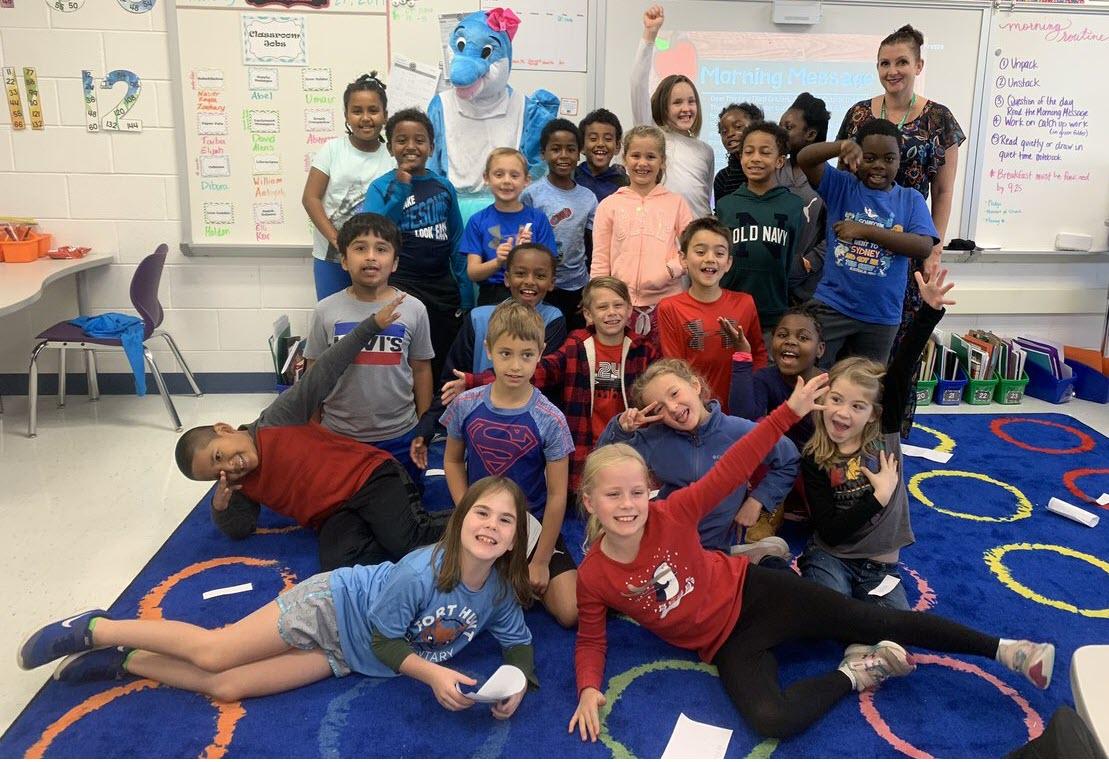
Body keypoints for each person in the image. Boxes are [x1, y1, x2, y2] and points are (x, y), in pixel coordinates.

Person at [567, 374, 1056, 742]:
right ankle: (857, 673)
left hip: (754, 593)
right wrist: (589, 686)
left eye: (637, 492)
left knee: (868, 620)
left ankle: (1009, 650)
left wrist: (786, 413)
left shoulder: (672, 513)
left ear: (650, 491)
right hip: (725, 644)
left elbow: (738, 460)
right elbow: (591, 636)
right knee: (771, 720)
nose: (628, 505)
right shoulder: (594, 576)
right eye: (613, 495)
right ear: (589, 503)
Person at [19, 476, 536, 721]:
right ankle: (95, 628)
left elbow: (518, 643)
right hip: (335, 607)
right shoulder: (422, 570)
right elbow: (384, 639)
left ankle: (126, 661)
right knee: (215, 651)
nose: (490, 527)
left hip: (345, 655)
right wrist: (433, 674)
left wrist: (515, 684)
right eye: (481, 514)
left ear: (515, 540)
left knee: (229, 686)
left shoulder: (496, 592)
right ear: (460, 518)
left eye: (505, 521)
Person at [172, 301, 447, 572]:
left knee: (410, 539)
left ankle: (478, 524)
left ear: (224, 429)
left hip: (370, 478)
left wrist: (371, 326)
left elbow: (326, 369)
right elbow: (242, 529)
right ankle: (392, 541)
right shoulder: (237, 483)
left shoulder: (277, 419)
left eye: (219, 456)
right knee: (340, 565)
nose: (229, 467)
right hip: (333, 514)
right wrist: (221, 506)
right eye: (216, 473)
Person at [798, 264, 952, 609]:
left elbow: (901, 368)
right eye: (836, 400)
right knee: (829, 610)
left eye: (857, 406)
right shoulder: (814, 454)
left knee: (893, 626)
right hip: (830, 555)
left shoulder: (885, 432)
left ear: (874, 414)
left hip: (880, 564)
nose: (842, 413)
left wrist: (928, 311)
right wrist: (879, 497)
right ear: (823, 400)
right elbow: (830, 532)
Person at [441, 276, 661, 496]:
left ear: (630, 309)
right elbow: (539, 371)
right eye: (602, 307)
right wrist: (474, 381)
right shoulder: (576, 345)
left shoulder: (643, 350)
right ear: (588, 314)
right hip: (584, 451)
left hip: (627, 448)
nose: (611, 312)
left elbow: (656, 394)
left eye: (618, 305)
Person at [442, 300, 578, 627]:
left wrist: (542, 560)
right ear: (488, 350)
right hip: (478, 521)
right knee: (448, 597)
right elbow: (451, 461)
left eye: (526, 355)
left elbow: (558, 495)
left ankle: (513, 573)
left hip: (531, 525)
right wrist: (465, 512)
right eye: (506, 354)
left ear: (541, 352)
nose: (515, 366)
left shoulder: (551, 418)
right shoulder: (466, 404)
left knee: (571, 611)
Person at [837, 25, 966, 356]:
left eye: (902, 62)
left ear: (919, 66)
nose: (892, 71)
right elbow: (843, 178)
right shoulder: (858, 114)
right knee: (853, 350)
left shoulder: (939, 118)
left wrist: (933, 252)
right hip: (859, 242)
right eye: (884, 63)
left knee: (898, 346)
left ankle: (892, 410)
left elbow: (943, 191)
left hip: (909, 244)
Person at [598, 357, 798, 554]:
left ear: (695, 385)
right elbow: (601, 466)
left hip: (715, 548)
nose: (673, 408)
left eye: (674, 393)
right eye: (660, 408)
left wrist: (757, 500)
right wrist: (621, 430)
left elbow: (788, 458)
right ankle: (745, 556)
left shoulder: (737, 431)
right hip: (663, 544)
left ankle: (741, 556)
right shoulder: (653, 439)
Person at [304, 213, 434, 488]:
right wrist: (312, 430)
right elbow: (313, 373)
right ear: (344, 260)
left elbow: (421, 369)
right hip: (339, 435)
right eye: (360, 248)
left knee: (403, 508)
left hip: (400, 434)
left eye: (381, 249)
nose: (371, 257)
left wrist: (424, 426)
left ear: (395, 262)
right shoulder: (325, 311)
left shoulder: (413, 309)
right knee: (342, 509)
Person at [797, 120, 938, 366]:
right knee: (814, 378)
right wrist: (841, 146)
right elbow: (805, 158)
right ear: (857, 157)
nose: (879, 166)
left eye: (889, 159)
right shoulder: (842, 186)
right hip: (832, 306)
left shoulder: (910, 199)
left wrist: (865, 230)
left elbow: (923, 246)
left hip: (881, 316)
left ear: (899, 158)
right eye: (870, 158)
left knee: (864, 390)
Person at [410, 243, 568, 460]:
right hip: (473, 423)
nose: (529, 281)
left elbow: (538, 376)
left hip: (524, 428)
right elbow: (453, 381)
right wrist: (427, 426)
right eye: (520, 273)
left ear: (551, 283)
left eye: (539, 275)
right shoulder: (478, 318)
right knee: (438, 483)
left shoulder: (553, 320)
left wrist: (472, 382)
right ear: (506, 278)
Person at [362, 108, 465, 382]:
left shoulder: (443, 187)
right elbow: (373, 233)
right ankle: (408, 411)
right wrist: (402, 190)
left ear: (431, 147)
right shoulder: (380, 187)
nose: (410, 146)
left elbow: (456, 240)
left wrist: (464, 290)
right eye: (401, 140)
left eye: (419, 140)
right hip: (401, 284)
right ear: (390, 146)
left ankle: (436, 412)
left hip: (441, 286)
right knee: (406, 356)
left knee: (442, 353)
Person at [590, 125, 692, 344]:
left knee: (663, 368)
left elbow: (691, 250)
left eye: (651, 157)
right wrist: (598, 300)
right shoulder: (610, 205)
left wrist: (668, 271)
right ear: (625, 159)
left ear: (662, 161)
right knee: (625, 368)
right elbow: (600, 260)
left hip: (666, 304)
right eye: (635, 156)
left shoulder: (677, 203)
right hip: (620, 307)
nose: (642, 163)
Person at [657, 216, 767, 411]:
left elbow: (758, 355)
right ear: (683, 258)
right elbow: (674, 368)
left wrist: (750, 396)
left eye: (719, 253)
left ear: (728, 262)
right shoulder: (669, 308)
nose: (710, 259)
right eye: (700, 251)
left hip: (738, 410)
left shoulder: (745, 303)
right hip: (695, 411)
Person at [303, 74, 394, 300]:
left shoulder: (392, 158)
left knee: (374, 322)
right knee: (335, 323)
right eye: (357, 111)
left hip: (377, 260)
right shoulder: (332, 149)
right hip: (332, 257)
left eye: (373, 110)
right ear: (346, 115)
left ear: (385, 115)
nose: (365, 118)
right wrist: (337, 240)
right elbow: (310, 198)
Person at [715, 121, 806, 344]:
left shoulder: (794, 205)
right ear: (740, 157)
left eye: (765, 152)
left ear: (780, 161)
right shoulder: (726, 204)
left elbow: (792, 255)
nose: (755, 158)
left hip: (773, 314)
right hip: (729, 311)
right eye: (749, 152)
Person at [631, 4, 715, 216]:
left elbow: (704, 200)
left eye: (691, 101)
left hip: (696, 241)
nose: (686, 109)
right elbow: (638, 84)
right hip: (662, 238)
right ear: (663, 107)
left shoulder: (705, 151)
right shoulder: (654, 137)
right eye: (677, 103)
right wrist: (650, 35)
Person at [522, 120, 598, 330]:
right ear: (543, 153)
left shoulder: (588, 198)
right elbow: (523, 245)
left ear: (579, 153)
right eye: (556, 149)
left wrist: (590, 286)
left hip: (578, 287)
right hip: (541, 287)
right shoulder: (531, 195)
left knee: (574, 346)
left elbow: (593, 247)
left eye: (570, 149)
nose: (563, 155)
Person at [463, 148, 557, 306]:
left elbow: (549, 268)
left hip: (529, 294)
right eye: (499, 174)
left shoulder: (538, 219)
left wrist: (527, 252)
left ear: (526, 180)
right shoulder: (477, 221)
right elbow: (473, 273)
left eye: (514, 175)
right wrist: (498, 262)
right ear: (486, 178)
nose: (507, 181)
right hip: (491, 296)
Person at [731, 304, 826, 453]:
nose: (790, 341)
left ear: (820, 349)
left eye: (803, 337)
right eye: (782, 335)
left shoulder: (832, 385)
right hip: (783, 463)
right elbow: (742, 418)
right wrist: (742, 356)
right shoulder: (765, 379)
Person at [778, 92, 831, 304]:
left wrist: (807, 263)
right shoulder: (774, 171)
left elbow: (836, 233)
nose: (779, 133)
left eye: (788, 128)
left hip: (810, 290)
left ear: (810, 134)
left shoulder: (830, 180)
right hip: (772, 284)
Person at [575, 109, 630, 204]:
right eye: (593, 139)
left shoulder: (624, 184)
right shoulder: (571, 177)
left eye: (608, 139)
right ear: (582, 146)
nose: (600, 144)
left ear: (617, 146)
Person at [714, 102, 764, 201]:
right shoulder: (723, 178)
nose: (730, 134)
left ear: (756, 127)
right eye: (724, 132)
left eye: (738, 127)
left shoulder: (770, 170)